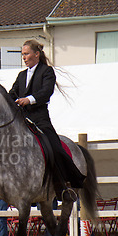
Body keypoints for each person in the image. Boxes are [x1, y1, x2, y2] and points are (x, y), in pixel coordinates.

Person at [8, 40, 85, 197]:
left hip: (39, 119)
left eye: (27, 54)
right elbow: (13, 92)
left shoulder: (46, 71)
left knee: (55, 147)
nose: (24, 57)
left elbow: (46, 92)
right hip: (21, 120)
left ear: (36, 54)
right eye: (22, 54)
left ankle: (63, 185)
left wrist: (28, 99)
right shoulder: (21, 75)